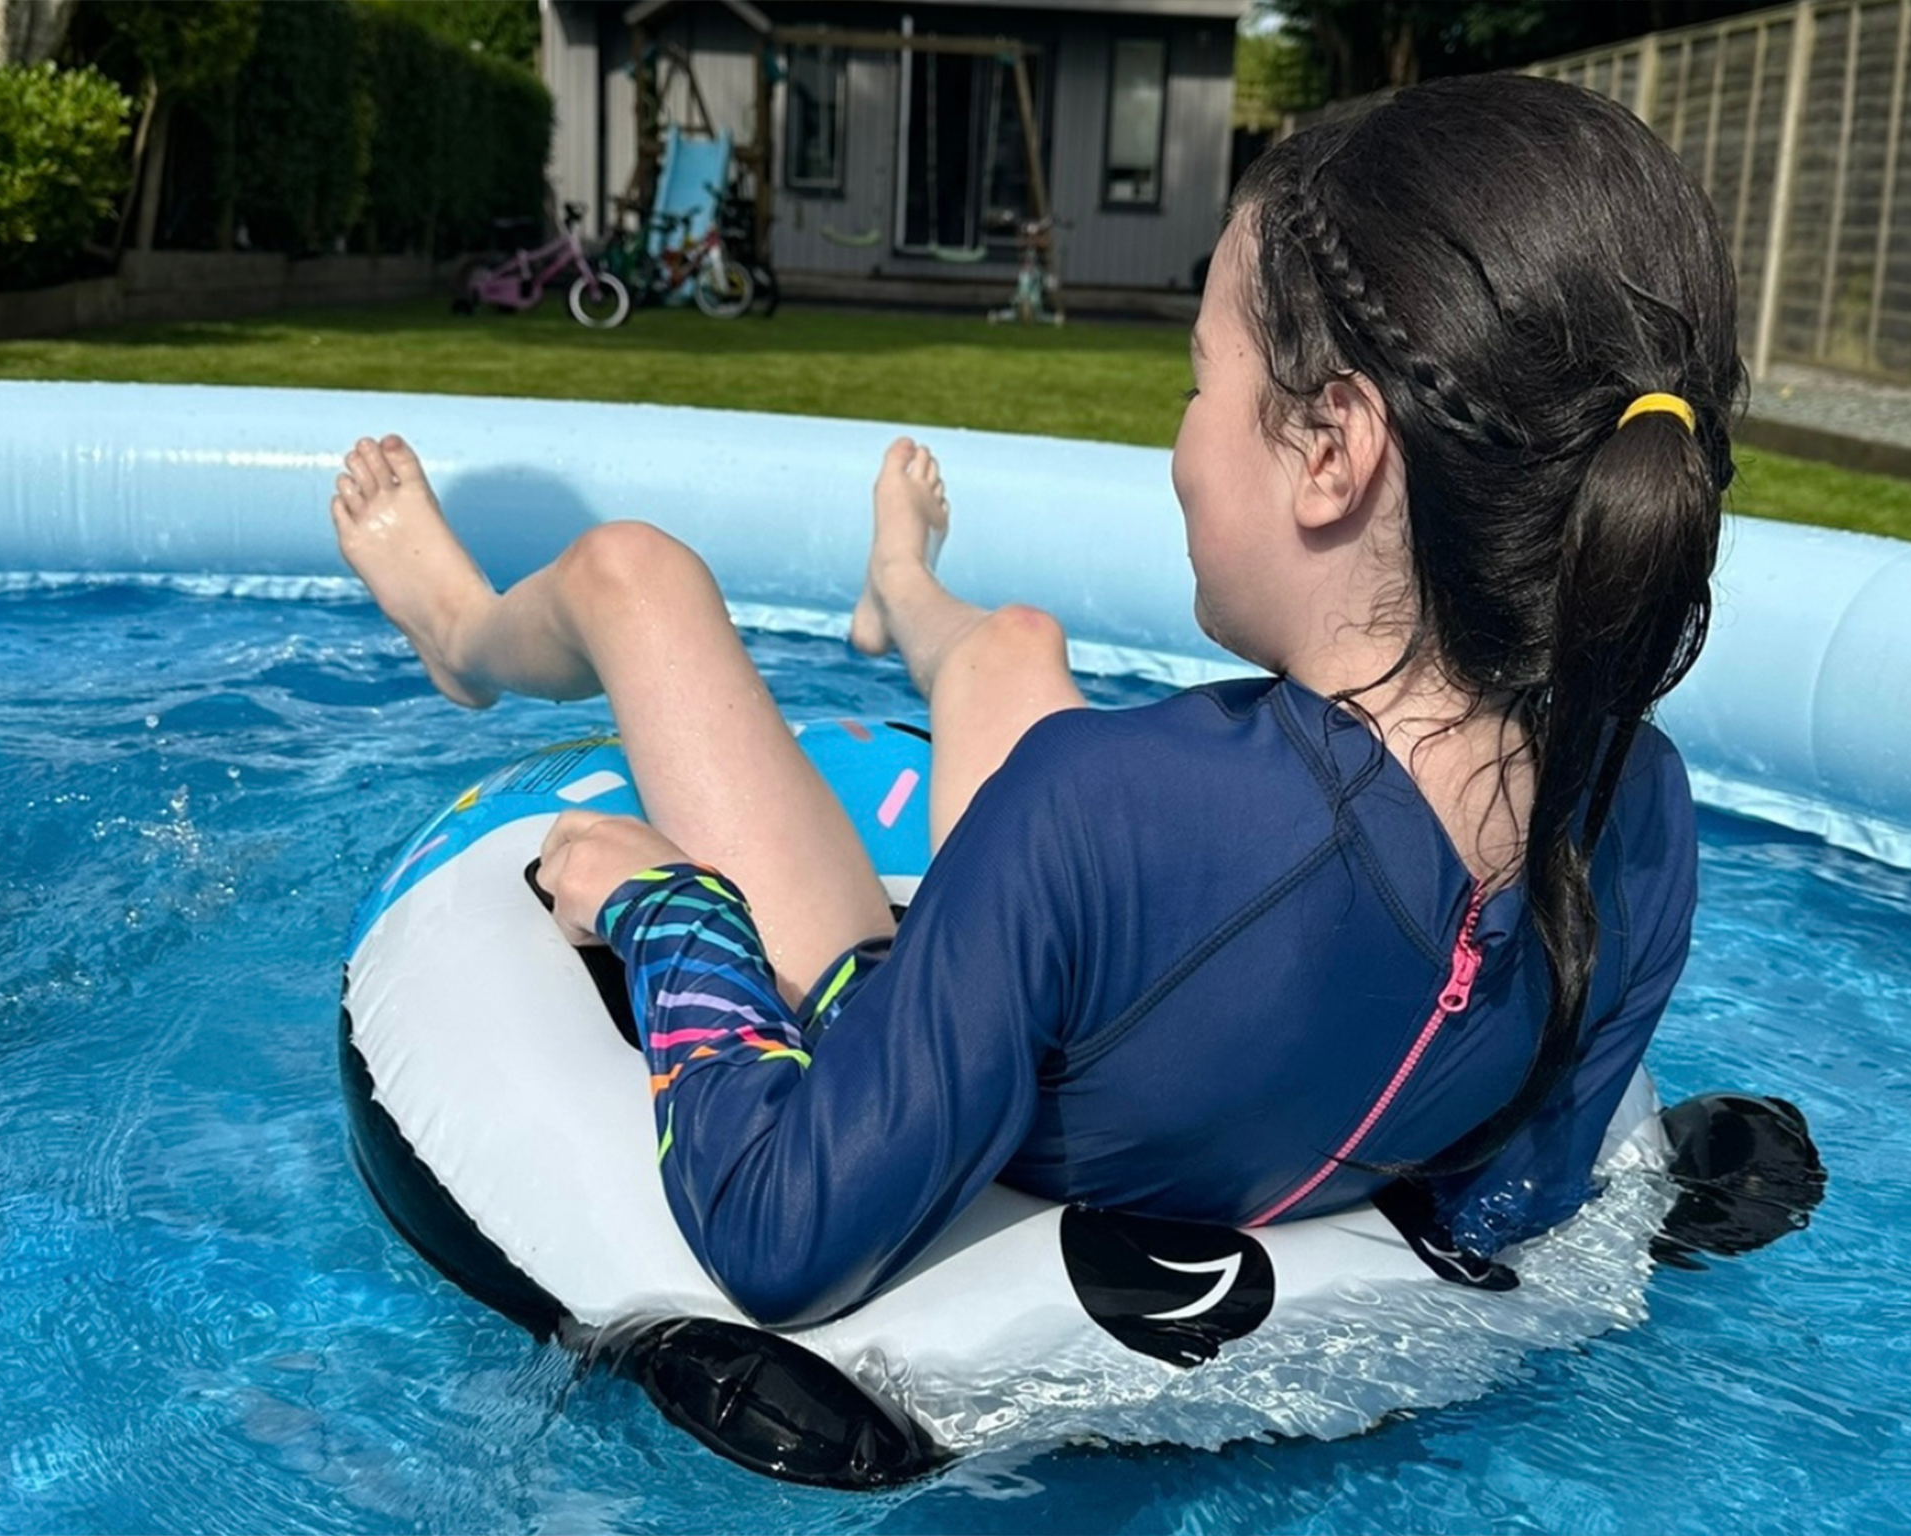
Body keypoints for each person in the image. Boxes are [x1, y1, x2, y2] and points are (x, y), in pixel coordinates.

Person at [330, 73, 1740, 1331]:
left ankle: (461, 632)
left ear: (1330, 448)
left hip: (924, 1037)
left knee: (637, 576)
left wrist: (672, 906)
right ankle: (905, 593)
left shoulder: (1100, 813)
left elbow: (781, 1230)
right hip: (1145, 1006)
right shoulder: (1642, 807)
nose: (1180, 444)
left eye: (1198, 381)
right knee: (1013, 646)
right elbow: (1519, 1195)